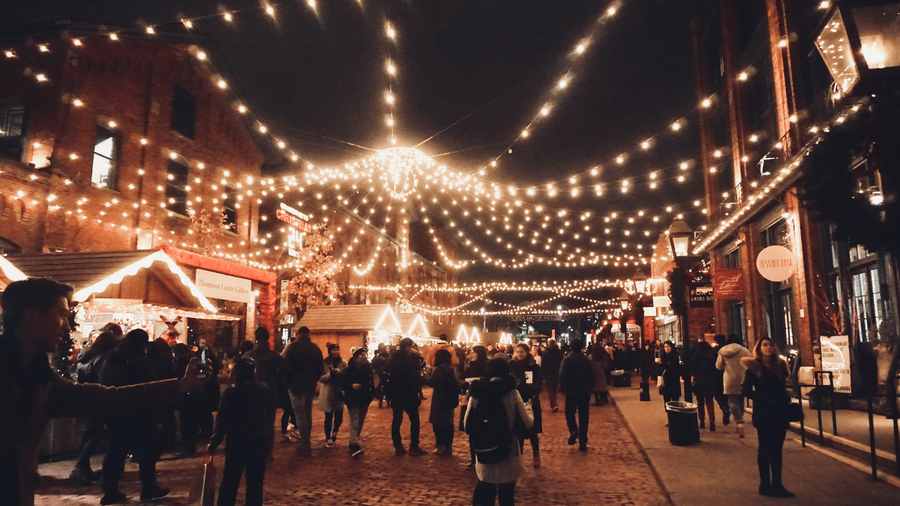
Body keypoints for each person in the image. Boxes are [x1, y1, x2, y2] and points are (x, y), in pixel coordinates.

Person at [0, 278, 202, 506]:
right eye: (60, 314)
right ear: (32, 315)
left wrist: (180, 385)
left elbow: (109, 398)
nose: (67, 326)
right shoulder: (24, 376)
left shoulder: (41, 379)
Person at [99, 329, 171, 504]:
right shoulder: (139, 362)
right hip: (139, 415)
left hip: (115, 413)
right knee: (146, 453)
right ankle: (148, 488)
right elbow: (150, 391)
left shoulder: (110, 360)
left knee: (115, 453)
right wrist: (157, 417)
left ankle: (110, 491)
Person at [465, 357, 534, 506]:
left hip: (485, 450)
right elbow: (528, 423)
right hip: (507, 451)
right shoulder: (512, 393)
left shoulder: (477, 392)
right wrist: (529, 407)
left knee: (486, 492)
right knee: (507, 495)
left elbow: (466, 425)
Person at [207, 357, 272, 506]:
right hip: (258, 440)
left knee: (230, 481)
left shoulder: (230, 392)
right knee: (255, 484)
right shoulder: (263, 390)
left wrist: (213, 444)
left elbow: (222, 421)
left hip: (236, 440)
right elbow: (268, 418)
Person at [741, 337, 795, 498]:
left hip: (780, 410)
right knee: (765, 449)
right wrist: (762, 398)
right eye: (764, 345)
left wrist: (785, 397)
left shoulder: (780, 366)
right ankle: (765, 484)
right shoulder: (753, 366)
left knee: (777, 449)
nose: (768, 347)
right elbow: (746, 389)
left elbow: (782, 385)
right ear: (759, 348)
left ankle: (778, 484)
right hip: (764, 411)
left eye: (771, 344)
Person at [68, 328, 120, 485]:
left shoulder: (85, 356)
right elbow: (104, 380)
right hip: (98, 399)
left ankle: (84, 468)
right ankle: (79, 468)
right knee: (95, 434)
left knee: (90, 435)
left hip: (86, 398)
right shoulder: (101, 359)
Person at [243, 327, 288, 457]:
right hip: (270, 391)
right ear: (268, 337)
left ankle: (252, 450)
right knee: (269, 423)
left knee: (251, 421)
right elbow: (286, 370)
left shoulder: (248, 355)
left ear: (256, 338)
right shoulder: (274, 356)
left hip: (251, 392)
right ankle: (267, 453)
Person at [282, 326, 325, 456]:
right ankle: (306, 441)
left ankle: (305, 445)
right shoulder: (315, 348)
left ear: (297, 334)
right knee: (307, 413)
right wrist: (313, 379)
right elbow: (320, 369)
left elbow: (285, 367)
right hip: (310, 384)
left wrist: (288, 382)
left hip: (295, 385)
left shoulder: (291, 348)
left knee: (299, 414)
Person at [384, 337, 427, 455]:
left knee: (397, 420)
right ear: (408, 347)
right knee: (415, 420)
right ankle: (414, 446)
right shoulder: (409, 360)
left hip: (395, 393)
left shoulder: (392, 358)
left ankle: (398, 446)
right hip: (408, 394)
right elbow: (413, 378)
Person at [558, 338, 596, 451]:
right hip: (584, 392)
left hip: (571, 391)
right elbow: (592, 375)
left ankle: (573, 430)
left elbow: (562, 375)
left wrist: (562, 388)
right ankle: (583, 440)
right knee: (584, 416)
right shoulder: (587, 360)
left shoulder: (567, 360)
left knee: (569, 413)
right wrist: (590, 388)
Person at [511, 343, 543, 468]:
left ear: (527, 352)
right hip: (516, 400)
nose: (519, 354)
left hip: (530, 400)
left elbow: (538, 382)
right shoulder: (512, 366)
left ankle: (536, 454)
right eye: (517, 351)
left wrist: (530, 390)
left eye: (522, 352)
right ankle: (519, 457)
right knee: (518, 431)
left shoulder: (534, 366)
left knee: (532, 430)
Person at [341, 347, 375, 457]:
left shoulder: (368, 368)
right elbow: (342, 383)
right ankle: (354, 444)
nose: (364, 357)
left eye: (365, 355)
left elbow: (371, 383)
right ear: (355, 357)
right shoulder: (349, 369)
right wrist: (351, 386)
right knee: (355, 422)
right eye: (361, 355)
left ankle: (353, 441)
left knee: (360, 422)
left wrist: (371, 395)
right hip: (352, 398)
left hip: (364, 398)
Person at [427, 348, 460, 455]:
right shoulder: (452, 369)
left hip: (439, 399)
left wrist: (427, 375)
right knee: (449, 423)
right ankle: (449, 446)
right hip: (450, 398)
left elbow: (430, 382)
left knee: (437, 423)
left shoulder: (437, 370)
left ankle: (440, 446)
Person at [717, 334, 750, 438]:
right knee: (741, 400)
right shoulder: (745, 351)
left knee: (732, 401)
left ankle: (739, 422)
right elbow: (750, 363)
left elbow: (719, 366)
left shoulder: (723, 351)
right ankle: (739, 421)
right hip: (743, 378)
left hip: (729, 379)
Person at [462, 345, 489, 468]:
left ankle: (482, 457)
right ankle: (474, 459)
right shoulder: (469, 368)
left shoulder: (487, 367)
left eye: (474, 353)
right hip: (470, 402)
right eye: (470, 352)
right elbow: (463, 382)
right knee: (471, 429)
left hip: (483, 401)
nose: (471, 354)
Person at [319, 343, 347, 447]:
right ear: (330, 351)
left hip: (339, 393)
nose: (336, 352)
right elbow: (321, 378)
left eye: (337, 350)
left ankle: (335, 430)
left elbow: (347, 376)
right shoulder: (324, 363)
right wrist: (330, 375)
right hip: (328, 393)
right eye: (334, 350)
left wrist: (340, 373)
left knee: (339, 417)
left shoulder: (343, 363)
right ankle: (328, 437)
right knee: (328, 417)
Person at [691, 340, 718, 431]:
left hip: (699, 381)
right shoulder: (711, 356)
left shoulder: (695, 356)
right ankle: (712, 421)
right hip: (709, 381)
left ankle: (702, 421)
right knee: (709, 402)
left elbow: (692, 369)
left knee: (700, 402)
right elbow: (715, 369)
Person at [659, 340, 682, 416]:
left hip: (673, 381)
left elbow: (675, 368)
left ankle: (676, 416)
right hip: (665, 381)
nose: (666, 348)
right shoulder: (663, 356)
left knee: (675, 400)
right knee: (666, 400)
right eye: (665, 347)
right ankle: (669, 416)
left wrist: (663, 365)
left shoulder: (675, 356)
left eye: (668, 346)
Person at [541, 339, 563, 413]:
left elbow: (543, 363)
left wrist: (543, 373)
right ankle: (553, 403)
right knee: (554, 389)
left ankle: (553, 404)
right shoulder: (559, 352)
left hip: (548, 373)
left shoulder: (545, 352)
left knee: (550, 390)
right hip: (556, 373)